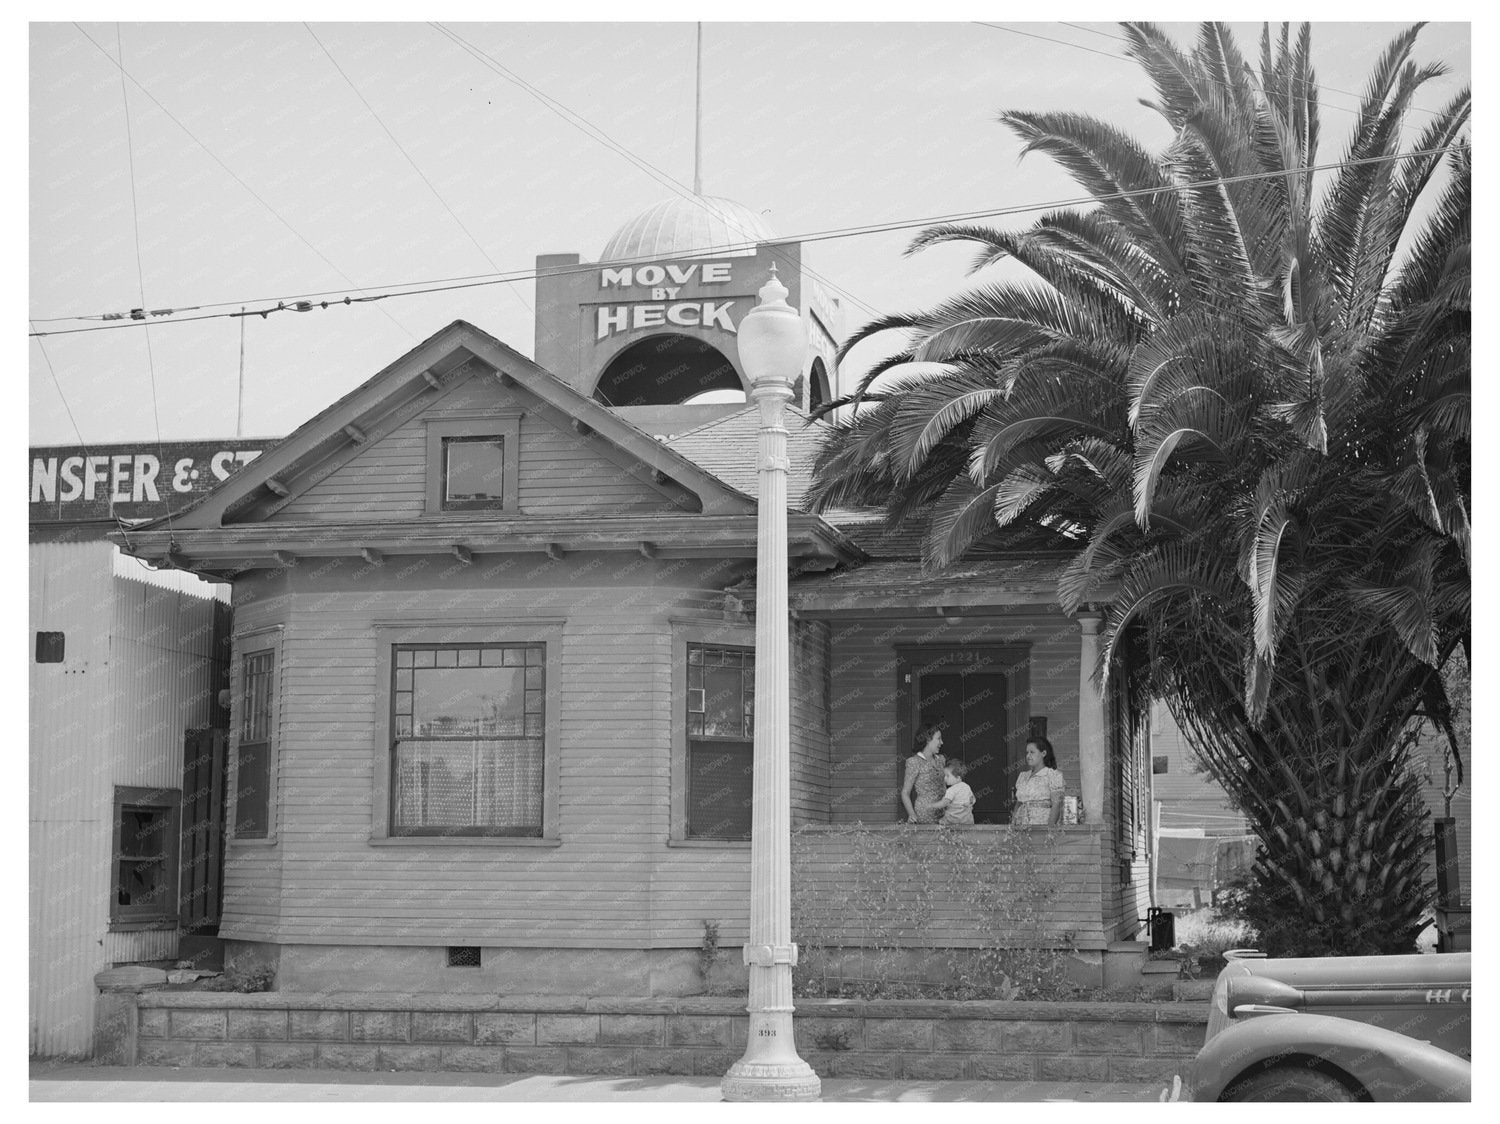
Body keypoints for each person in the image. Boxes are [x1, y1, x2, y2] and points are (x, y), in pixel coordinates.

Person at [901, 723, 946, 824]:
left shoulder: (941, 760)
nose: (942, 742)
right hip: (924, 816)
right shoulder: (914, 762)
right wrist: (912, 814)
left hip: (945, 816)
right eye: (938, 739)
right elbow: (905, 793)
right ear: (928, 739)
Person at [1014, 736, 1065, 826]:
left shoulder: (1053, 775)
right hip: (1021, 827)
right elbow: (1018, 804)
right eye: (1027, 752)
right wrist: (1013, 824)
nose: (1028, 756)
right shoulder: (1023, 776)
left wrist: (1049, 831)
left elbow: (1056, 805)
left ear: (1043, 753)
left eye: (1032, 752)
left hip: (1041, 826)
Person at [936, 760, 975, 826]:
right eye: (945, 775)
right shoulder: (967, 787)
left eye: (947, 776)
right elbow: (973, 799)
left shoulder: (951, 790)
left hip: (952, 821)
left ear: (958, 778)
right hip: (967, 821)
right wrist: (968, 804)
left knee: (942, 822)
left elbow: (944, 803)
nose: (945, 778)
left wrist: (933, 805)